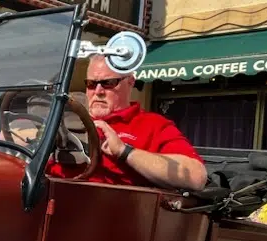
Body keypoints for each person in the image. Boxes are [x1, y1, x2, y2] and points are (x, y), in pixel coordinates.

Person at [47, 55, 208, 191]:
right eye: (91, 83)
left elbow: (196, 176)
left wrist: (124, 151)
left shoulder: (153, 125)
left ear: (130, 82)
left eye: (108, 83)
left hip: (116, 215)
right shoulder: (63, 119)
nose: (98, 91)